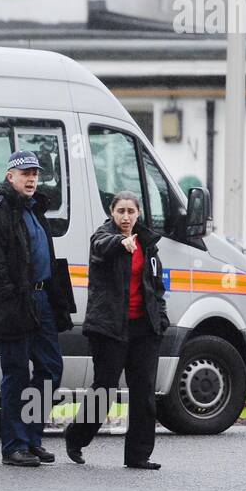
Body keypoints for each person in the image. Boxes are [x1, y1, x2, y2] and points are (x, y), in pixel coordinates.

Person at [0, 150, 76, 467]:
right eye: (25, 173)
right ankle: (14, 446)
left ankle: (32, 440)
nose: (31, 178)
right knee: (16, 375)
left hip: (43, 299)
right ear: (10, 176)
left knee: (51, 370)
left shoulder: (34, 209)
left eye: (35, 173)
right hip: (15, 303)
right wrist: (9, 300)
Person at [65, 191, 169, 470]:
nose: (126, 217)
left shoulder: (148, 244)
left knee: (144, 391)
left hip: (144, 329)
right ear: (112, 212)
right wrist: (121, 242)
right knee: (105, 388)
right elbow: (102, 245)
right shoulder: (103, 238)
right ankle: (76, 437)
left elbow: (157, 287)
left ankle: (138, 455)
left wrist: (160, 319)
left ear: (138, 214)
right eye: (120, 211)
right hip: (109, 328)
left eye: (131, 212)